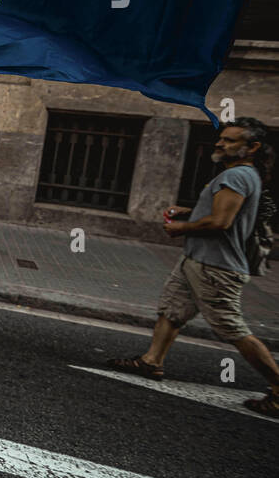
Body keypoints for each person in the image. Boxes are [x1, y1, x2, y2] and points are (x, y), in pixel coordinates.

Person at [108, 119, 279, 418]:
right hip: (197, 261)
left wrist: (181, 227)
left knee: (231, 328)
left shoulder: (238, 175)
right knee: (172, 309)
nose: (220, 144)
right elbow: (225, 213)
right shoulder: (242, 174)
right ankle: (152, 361)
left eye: (229, 140)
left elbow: (220, 222)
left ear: (251, 147)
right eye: (221, 139)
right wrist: (188, 211)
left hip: (216, 266)